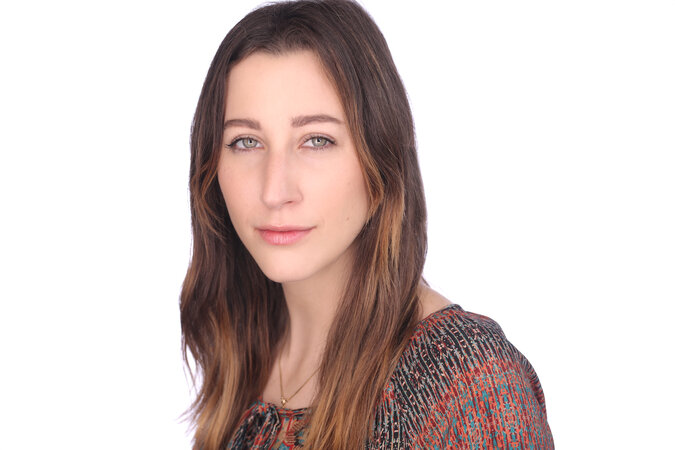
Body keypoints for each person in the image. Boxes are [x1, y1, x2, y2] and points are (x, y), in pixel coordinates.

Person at [180, 0, 554, 448]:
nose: (274, 190)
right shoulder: (245, 348)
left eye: (317, 140)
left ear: (380, 159)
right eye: (246, 141)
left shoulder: (463, 382)